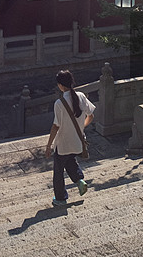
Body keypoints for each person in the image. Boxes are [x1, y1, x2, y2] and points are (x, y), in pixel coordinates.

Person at [44, 69, 95, 206]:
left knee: (58, 171)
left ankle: (60, 198)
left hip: (63, 144)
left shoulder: (59, 103)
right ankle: (80, 181)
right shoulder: (81, 96)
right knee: (70, 160)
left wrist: (48, 146)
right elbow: (91, 116)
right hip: (77, 141)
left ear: (60, 85)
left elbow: (55, 126)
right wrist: (81, 127)